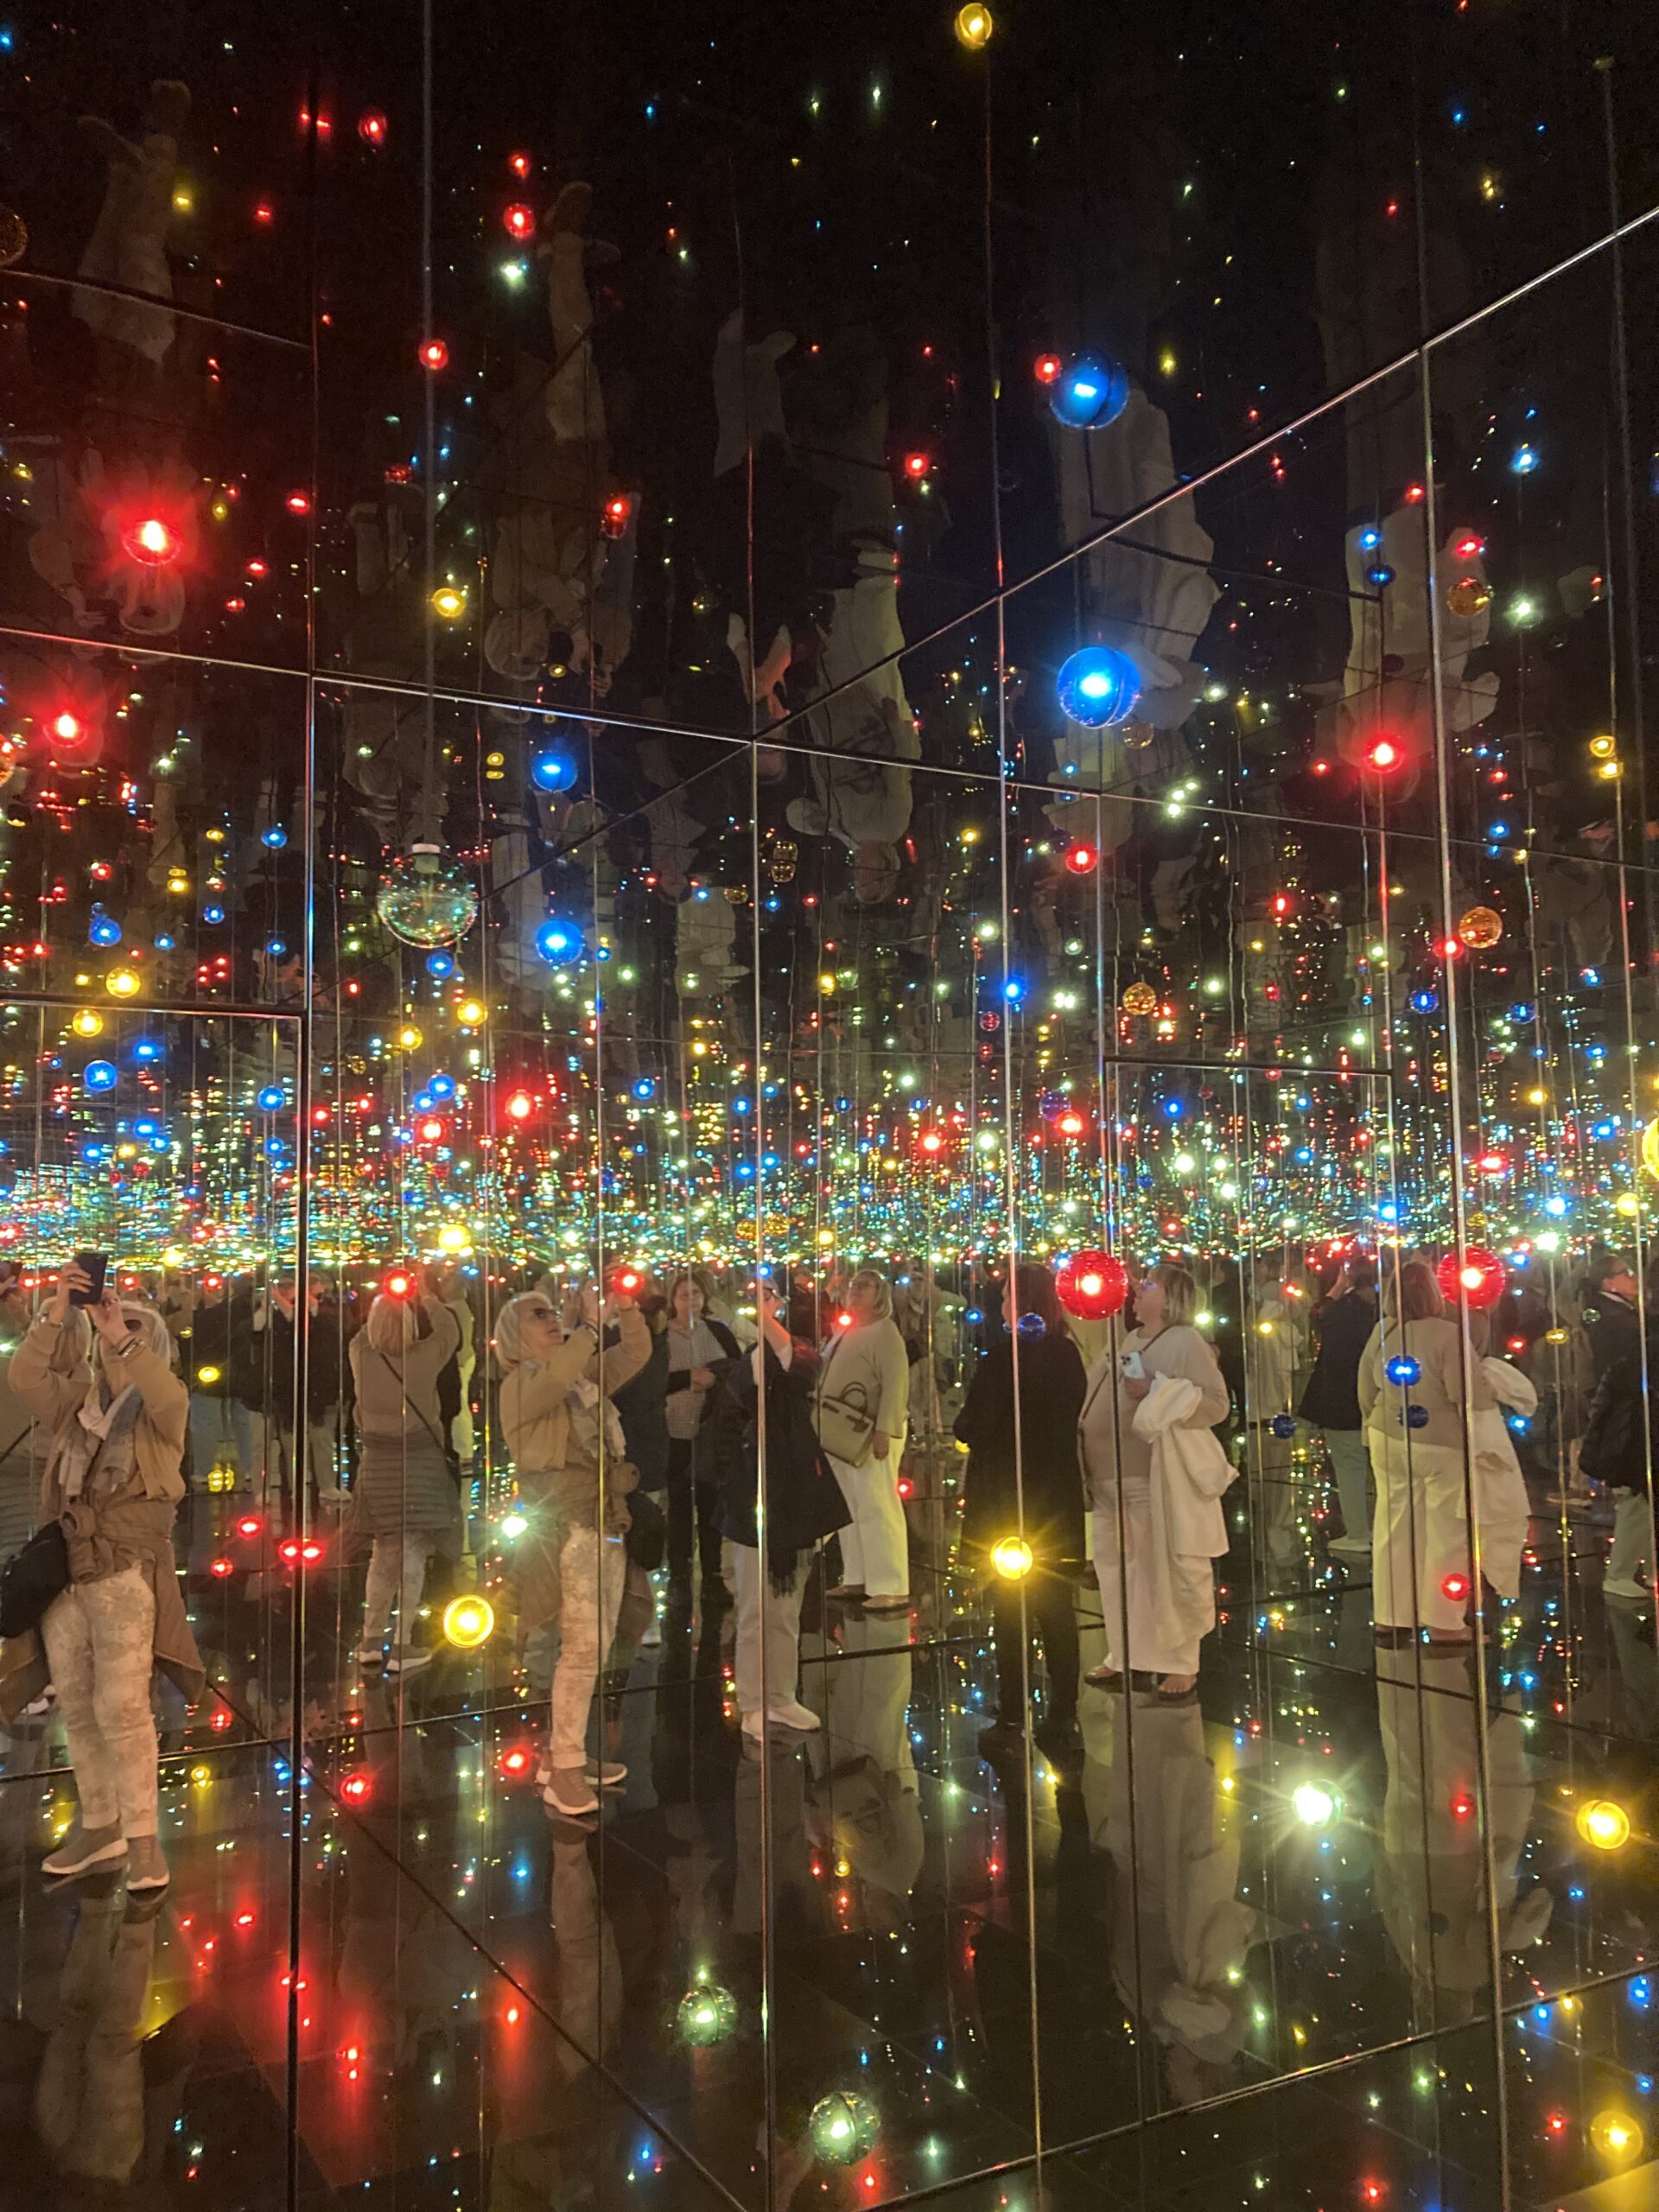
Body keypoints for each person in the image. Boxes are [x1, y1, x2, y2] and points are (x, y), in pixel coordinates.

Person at [0, 1262, 203, 1890]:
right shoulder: (77, 1401)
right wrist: (57, 1311)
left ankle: (143, 1839)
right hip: (67, 1569)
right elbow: (26, 1375)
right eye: (113, 1326)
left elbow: (167, 1394)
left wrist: (122, 1335)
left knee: (122, 1707)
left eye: (139, 1331)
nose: (119, 1337)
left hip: (123, 1571)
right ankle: (99, 1822)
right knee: (79, 1707)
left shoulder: (161, 1416)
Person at [497, 1281, 651, 1817]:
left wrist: (626, 1312)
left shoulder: (580, 1379)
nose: (548, 1320)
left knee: (598, 1643)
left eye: (548, 1313)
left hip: (603, 1518)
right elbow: (558, 1374)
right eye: (536, 1315)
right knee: (583, 1648)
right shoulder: (522, 1383)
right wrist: (586, 1326)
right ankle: (563, 1768)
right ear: (513, 1335)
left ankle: (567, 1753)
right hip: (567, 1526)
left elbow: (635, 1354)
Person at [1079, 1262, 1231, 1700]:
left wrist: (1159, 1391)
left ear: (1171, 1297)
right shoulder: (1130, 1339)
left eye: (1147, 1285)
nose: (1136, 1291)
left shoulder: (1186, 1342)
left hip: (1151, 1476)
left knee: (1165, 1567)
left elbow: (1215, 1404)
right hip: (1108, 1476)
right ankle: (1125, 1652)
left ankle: (1180, 1662)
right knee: (1115, 1568)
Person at [954, 1264, 1087, 1763]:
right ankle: (1063, 1712)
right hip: (1054, 1498)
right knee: (1057, 1608)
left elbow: (974, 1423)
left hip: (1008, 1499)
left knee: (1010, 1608)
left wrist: (967, 1426)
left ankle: (1013, 1712)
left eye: (1009, 1294)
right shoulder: (1068, 1353)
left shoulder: (1001, 1360)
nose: (1003, 1303)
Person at [713, 1304, 849, 1740]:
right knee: (754, 1611)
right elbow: (752, 1377)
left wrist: (765, 1316)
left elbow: (793, 1357)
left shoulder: (801, 1365)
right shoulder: (747, 1378)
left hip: (795, 1504)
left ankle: (781, 1697)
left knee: (786, 1609)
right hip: (752, 1502)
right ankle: (752, 1701)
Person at [1358, 1260, 1495, 1643]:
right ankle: (1445, 1619)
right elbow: (1465, 1393)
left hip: (1387, 1437)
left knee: (1392, 1525)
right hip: (1440, 1443)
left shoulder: (1382, 1332)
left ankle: (1390, 1614)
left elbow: (1365, 1388)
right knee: (1446, 1530)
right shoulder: (1449, 1334)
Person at [346, 1276, 463, 1676]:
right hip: (419, 1466)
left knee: (383, 1554)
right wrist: (425, 1296)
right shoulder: (425, 1357)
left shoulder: (361, 1354)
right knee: (413, 1552)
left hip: (377, 1467)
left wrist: (385, 1301)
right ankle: (403, 1642)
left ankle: (368, 1640)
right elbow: (450, 1329)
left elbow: (365, 1332)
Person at [816, 1269, 912, 1611]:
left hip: (870, 1434)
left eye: (865, 1286)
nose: (856, 1291)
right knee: (850, 1507)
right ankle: (857, 1576)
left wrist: (885, 1429)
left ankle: (891, 1584)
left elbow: (895, 1384)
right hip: (842, 1433)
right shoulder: (845, 1330)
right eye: (853, 1286)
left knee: (877, 1505)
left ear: (880, 1294)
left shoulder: (885, 1333)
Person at [662, 1273, 740, 1599]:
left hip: (710, 1432)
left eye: (695, 1293)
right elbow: (653, 1380)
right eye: (683, 1294)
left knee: (710, 1505)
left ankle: (712, 1573)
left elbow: (737, 1367)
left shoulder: (717, 1331)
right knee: (679, 1505)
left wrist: (715, 1377)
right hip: (674, 1431)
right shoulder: (662, 1336)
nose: (690, 1300)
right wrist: (686, 1379)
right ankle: (679, 1574)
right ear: (673, 1300)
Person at [1299, 1255, 1379, 1555]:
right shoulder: (1383, 1311)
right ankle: (1380, 1527)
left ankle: (1358, 1531)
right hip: (1377, 1401)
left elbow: (1317, 1315)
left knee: (1349, 1466)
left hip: (1341, 1401)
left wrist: (1336, 1287)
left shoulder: (1342, 1311)